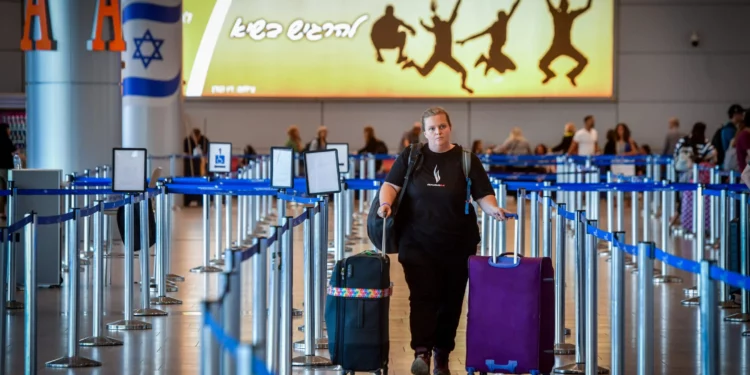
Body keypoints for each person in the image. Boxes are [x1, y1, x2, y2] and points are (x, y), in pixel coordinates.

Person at [377, 107, 510, 375]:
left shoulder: (466, 159)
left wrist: (493, 209)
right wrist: (384, 204)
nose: (438, 132)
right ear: (424, 132)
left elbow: (483, 193)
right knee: (423, 297)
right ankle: (421, 353)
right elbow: (391, 185)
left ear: (450, 127)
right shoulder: (412, 155)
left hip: (457, 244)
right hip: (416, 242)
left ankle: (443, 354)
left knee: (451, 300)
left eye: (442, 126)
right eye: (432, 128)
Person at [401, 0, 474, 94]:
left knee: (463, 72)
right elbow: (454, 12)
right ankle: (412, 64)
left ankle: (463, 85)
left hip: (444, 56)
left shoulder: (440, 27)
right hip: (440, 55)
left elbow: (454, 12)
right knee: (463, 72)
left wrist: (423, 24)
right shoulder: (441, 27)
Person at [455, 0, 520, 76]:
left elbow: (513, 9)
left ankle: (488, 62)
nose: (506, 17)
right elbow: (478, 34)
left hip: (497, 52)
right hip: (494, 52)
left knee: (511, 68)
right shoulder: (494, 27)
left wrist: (464, 40)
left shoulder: (503, 23)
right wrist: (464, 40)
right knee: (504, 70)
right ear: (501, 17)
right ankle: (486, 61)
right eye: (504, 16)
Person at [0, 123, 15, 219]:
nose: (10, 131)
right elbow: (14, 152)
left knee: (1, 191)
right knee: (8, 190)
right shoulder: (6, 141)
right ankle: (7, 212)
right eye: (8, 129)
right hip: (6, 169)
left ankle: (1, 213)